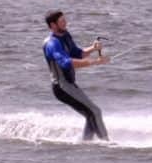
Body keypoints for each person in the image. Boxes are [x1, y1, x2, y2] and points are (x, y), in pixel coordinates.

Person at [43, 8, 109, 141]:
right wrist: (95, 62)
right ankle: (107, 144)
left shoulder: (65, 36)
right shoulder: (52, 43)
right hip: (61, 87)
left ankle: (86, 144)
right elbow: (66, 63)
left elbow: (78, 53)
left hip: (69, 85)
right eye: (61, 21)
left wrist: (93, 48)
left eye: (65, 20)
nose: (65, 23)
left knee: (90, 115)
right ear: (53, 25)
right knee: (95, 112)